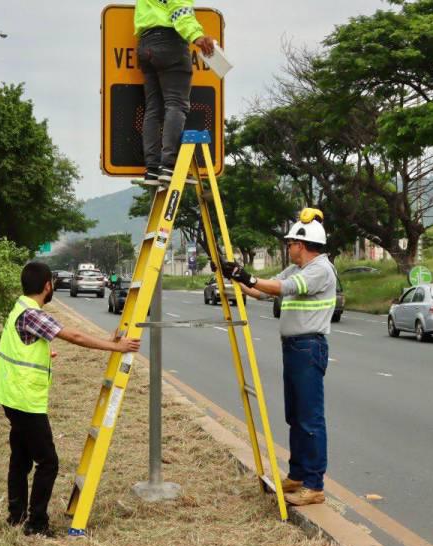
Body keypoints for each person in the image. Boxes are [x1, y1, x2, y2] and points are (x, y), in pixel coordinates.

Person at [0, 262, 140, 536]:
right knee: (48, 462)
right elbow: (74, 336)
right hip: (23, 398)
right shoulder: (33, 313)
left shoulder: (20, 307)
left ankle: (16, 516)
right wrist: (116, 347)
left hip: (10, 394)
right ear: (47, 285)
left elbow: (26, 345)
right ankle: (36, 524)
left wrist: (107, 339)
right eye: (52, 283)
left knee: (20, 457)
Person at [219, 209, 335, 506]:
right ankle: (297, 476)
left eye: (291, 242)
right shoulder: (297, 269)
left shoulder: (319, 269)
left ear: (303, 243)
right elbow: (263, 291)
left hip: (309, 347)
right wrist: (232, 275)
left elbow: (282, 288)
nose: (288, 246)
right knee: (294, 415)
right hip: (295, 347)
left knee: (310, 419)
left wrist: (247, 275)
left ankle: (314, 485)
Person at [134, 0, 217, 186]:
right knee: (176, 104)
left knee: (153, 109)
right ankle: (168, 166)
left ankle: (152, 169)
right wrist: (197, 36)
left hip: (145, 44)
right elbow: (180, 12)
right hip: (170, 43)